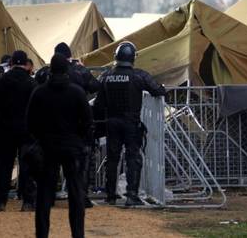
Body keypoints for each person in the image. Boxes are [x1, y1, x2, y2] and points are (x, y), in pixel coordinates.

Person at [27, 53, 93, 238]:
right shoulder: (77, 92)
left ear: (50, 70)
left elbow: (30, 122)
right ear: (66, 70)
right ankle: (77, 234)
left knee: (44, 195)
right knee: (76, 194)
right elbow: (88, 121)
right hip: (72, 147)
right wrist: (78, 138)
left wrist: (41, 138)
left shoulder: (39, 92)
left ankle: (42, 234)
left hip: (47, 147)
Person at [94, 41, 166, 206]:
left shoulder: (106, 77)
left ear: (116, 57)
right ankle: (131, 195)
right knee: (133, 158)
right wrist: (162, 88)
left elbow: (98, 104)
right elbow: (157, 90)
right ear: (133, 58)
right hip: (131, 123)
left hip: (112, 122)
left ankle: (110, 195)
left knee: (112, 159)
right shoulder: (139, 75)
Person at [35, 42, 100, 208]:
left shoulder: (43, 73)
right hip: (74, 127)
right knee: (79, 166)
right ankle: (81, 197)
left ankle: (48, 198)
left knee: (50, 165)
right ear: (70, 55)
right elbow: (96, 86)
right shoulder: (80, 72)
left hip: (49, 126)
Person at [0, 51, 37, 212]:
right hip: (27, 129)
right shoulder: (32, 83)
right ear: (26, 65)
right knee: (27, 165)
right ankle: (27, 201)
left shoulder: (0, 83)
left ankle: (1, 201)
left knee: (4, 166)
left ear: (11, 64)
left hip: (5, 129)